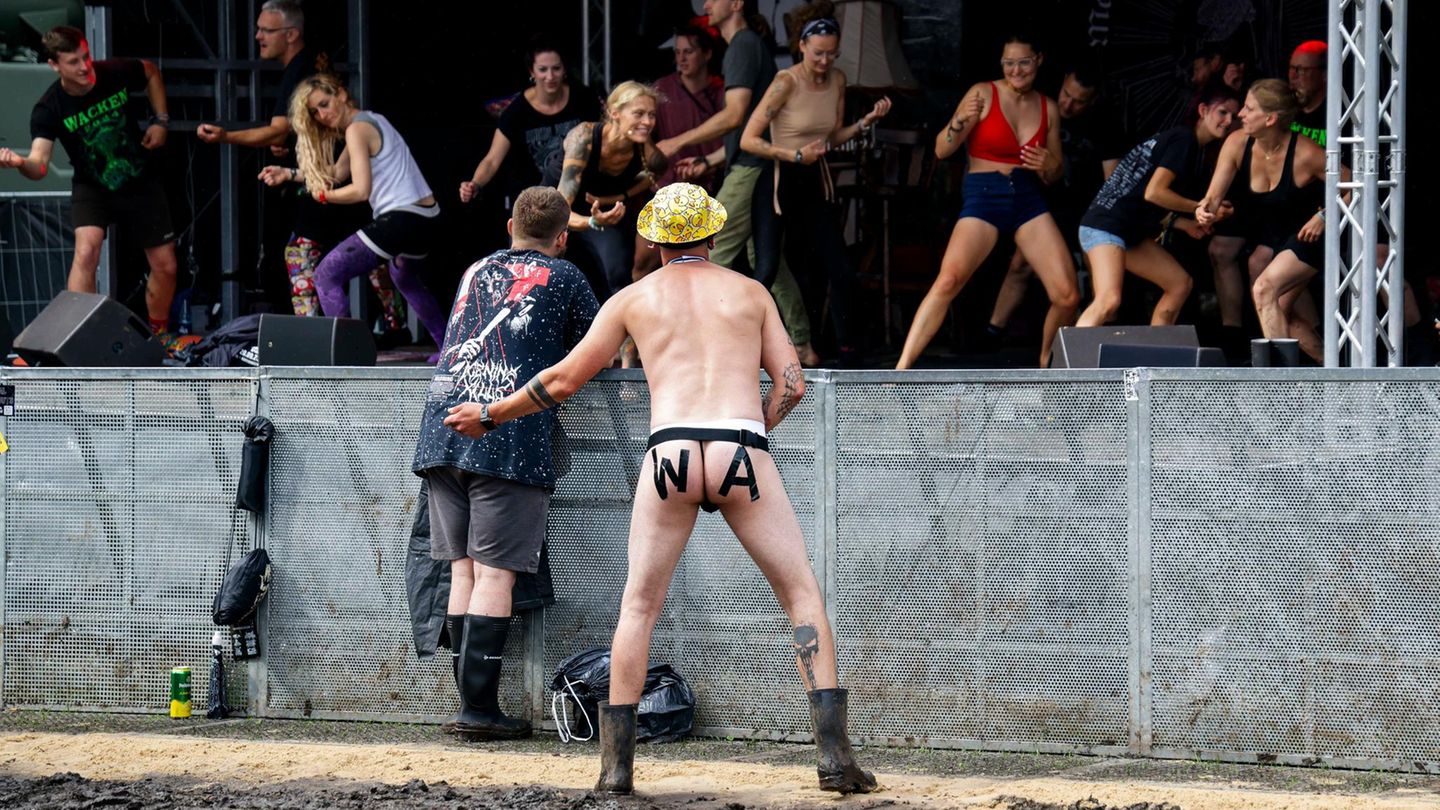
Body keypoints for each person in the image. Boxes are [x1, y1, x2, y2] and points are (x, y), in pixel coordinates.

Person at [444, 183, 875, 796]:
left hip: (668, 452)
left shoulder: (633, 298)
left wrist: (491, 414)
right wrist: (753, 429)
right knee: (802, 595)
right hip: (739, 449)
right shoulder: (750, 292)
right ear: (709, 233)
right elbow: (792, 382)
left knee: (639, 607)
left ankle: (616, 771)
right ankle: (835, 759)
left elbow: (563, 379)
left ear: (653, 239)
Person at [412, 186, 598, 741]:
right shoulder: (567, 277)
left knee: (463, 570)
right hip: (506, 435)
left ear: (509, 224)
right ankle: (479, 712)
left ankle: (470, 706)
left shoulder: (474, 270)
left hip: (442, 432)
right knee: (494, 573)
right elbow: (596, 350)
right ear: (562, 238)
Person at [196, 0, 405, 331]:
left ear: (291, 34)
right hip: (331, 168)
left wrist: (225, 135)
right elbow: (299, 129)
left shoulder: (301, 71)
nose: (257, 36)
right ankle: (392, 324)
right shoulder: (314, 61)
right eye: (258, 29)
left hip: (329, 171)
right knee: (362, 249)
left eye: (266, 30)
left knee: (302, 252)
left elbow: (281, 127)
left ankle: (316, 334)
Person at [896, 33, 1079, 368]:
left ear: (1038, 60)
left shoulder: (1048, 107)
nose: (1016, 70)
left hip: (1027, 197)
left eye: (1024, 62)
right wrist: (960, 119)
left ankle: (1047, 369)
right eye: (1009, 62)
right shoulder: (983, 92)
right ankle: (900, 368)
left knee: (1067, 295)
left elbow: (1053, 174)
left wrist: (1052, 166)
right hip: (983, 195)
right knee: (949, 279)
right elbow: (941, 149)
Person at [659, 0, 821, 367]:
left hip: (751, 169)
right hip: (755, 166)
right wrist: (709, 160)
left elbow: (734, 116)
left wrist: (677, 141)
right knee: (766, 261)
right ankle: (802, 344)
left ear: (735, 3)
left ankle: (691, 346)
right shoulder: (745, 46)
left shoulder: (744, 45)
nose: (706, 4)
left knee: (704, 255)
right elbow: (746, 127)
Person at [1, 26, 178, 338]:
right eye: (74, 62)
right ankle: (81, 336)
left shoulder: (112, 72)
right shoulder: (49, 108)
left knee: (165, 265)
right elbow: (39, 166)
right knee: (86, 251)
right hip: (92, 186)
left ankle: (159, 336)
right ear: (54, 65)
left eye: (86, 56)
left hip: (138, 178)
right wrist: (19, 164)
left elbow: (150, 71)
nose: (84, 67)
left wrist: (160, 120)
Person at [259, 73, 449, 354]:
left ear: (342, 94)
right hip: (426, 217)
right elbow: (336, 174)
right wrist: (290, 174)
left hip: (402, 217)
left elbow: (359, 190)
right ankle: (450, 351)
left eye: (325, 103)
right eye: (315, 112)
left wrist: (325, 197)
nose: (322, 115)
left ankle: (347, 358)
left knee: (326, 275)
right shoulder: (371, 120)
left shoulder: (357, 129)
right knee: (405, 278)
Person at [741, 13, 891, 364]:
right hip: (779, 176)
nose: (824, 61)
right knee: (766, 268)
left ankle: (847, 349)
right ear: (802, 47)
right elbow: (749, 139)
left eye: (831, 54)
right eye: (817, 53)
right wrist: (794, 153)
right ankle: (747, 348)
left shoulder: (837, 80)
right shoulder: (785, 81)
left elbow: (831, 136)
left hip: (814, 177)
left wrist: (863, 124)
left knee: (836, 265)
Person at [1073, 82, 1241, 328]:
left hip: (1127, 231)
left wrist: (1185, 224)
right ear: (1203, 110)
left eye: (1234, 116)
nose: (1228, 121)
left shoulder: (1193, 148)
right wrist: (1198, 207)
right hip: (1105, 227)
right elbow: (1155, 193)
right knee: (1108, 301)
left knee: (1179, 284)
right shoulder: (1184, 139)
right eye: (1222, 112)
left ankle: (1154, 356)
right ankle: (1073, 367)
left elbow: (1144, 199)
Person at [985, 64, 1124, 342]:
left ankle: (1098, 337)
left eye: (1078, 101)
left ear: (1093, 100)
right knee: (1020, 264)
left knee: (1099, 274)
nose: (1068, 104)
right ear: (1062, 82)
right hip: (1046, 204)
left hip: (1087, 209)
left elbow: (1112, 181)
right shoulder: (1044, 109)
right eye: (1066, 94)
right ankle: (992, 332)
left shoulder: (1105, 124)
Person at [1197, 80, 1331, 361]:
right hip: (1276, 237)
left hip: (1312, 236)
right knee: (1280, 312)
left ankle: (1281, 385)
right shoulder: (1237, 143)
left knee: (1264, 288)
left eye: (1248, 108)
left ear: (1270, 119)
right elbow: (1212, 198)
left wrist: (1323, 215)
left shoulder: (1307, 153)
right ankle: (1334, 372)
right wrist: (1204, 210)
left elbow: (1353, 187)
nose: (1240, 115)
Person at [556, 81, 668, 298]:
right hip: (558, 210)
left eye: (651, 115)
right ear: (614, 113)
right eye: (638, 114)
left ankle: (621, 329)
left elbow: (658, 170)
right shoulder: (585, 137)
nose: (647, 121)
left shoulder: (646, 151)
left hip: (601, 213)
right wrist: (592, 222)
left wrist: (620, 196)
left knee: (617, 274)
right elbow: (560, 210)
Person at [459, 37, 602, 206]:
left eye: (556, 68)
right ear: (532, 72)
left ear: (564, 69)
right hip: (534, 203)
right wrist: (475, 183)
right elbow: (492, 159)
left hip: (581, 197)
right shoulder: (517, 112)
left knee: (608, 234)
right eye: (542, 69)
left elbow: (604, 142)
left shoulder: (584, 98)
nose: (550, 76)